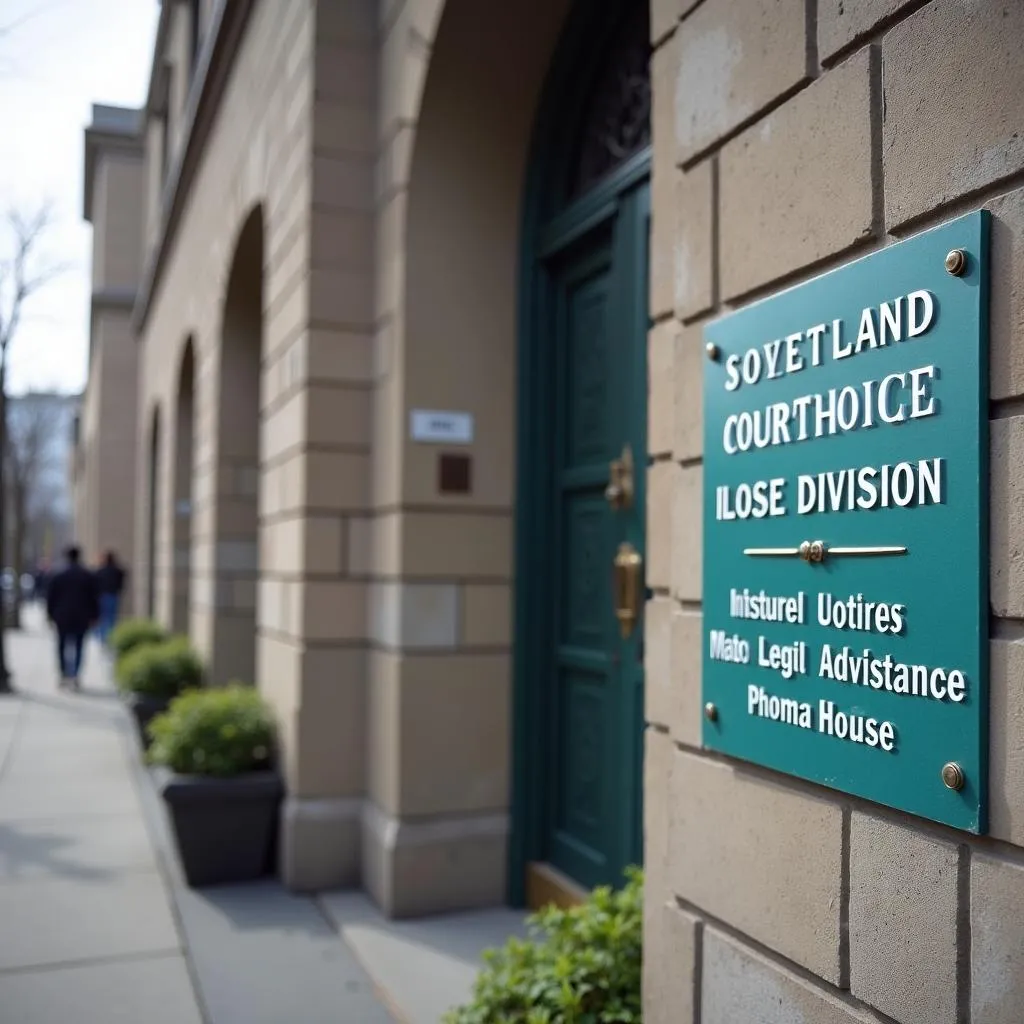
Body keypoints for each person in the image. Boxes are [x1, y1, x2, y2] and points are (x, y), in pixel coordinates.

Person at [46, 545, 99, 690]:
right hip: (82, 616)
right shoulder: (87, 575)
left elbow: (50, 598)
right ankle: (75, 675)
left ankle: (64, 674)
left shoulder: (58, 575)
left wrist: (49, 615)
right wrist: (95, 616)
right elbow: (94, 598)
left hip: (62, 616)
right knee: (79, 646)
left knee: (62, 645)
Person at [94, 550, 127, 648]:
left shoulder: (100, 571)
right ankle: (109, 637)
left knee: (102, 618)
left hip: (102, 596)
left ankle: (103, 638)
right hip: (113, 596)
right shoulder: (117, 570)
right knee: (111, 618)